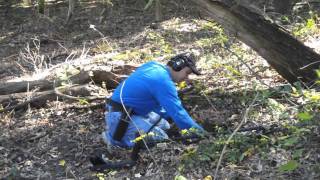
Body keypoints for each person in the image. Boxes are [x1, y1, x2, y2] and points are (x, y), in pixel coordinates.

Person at [102, 52, 204, 150]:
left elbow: (156, 105)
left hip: (125, 111)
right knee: (160, 138)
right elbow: (178, 113)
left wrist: (171, 116)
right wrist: (200, 134)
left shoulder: (153, 66)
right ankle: (115, 140)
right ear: (178, 66)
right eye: (187, 73)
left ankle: (118, 132)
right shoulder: (163, 81)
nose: (186, 77)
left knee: (165, 125)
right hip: (121, 118)